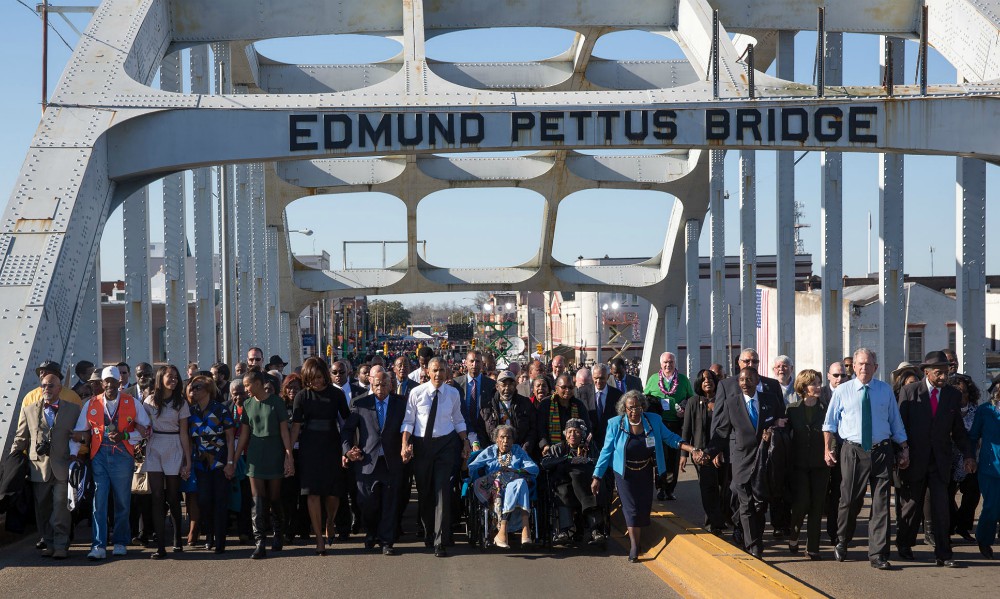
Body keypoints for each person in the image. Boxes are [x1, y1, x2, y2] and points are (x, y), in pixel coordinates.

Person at [593, 390, 704, 562]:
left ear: (643, 407)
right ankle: (634, 547)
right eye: (631, 408)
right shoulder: (615, 424)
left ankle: (638, 538)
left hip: (645, 471)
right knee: (631, 509)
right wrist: (597, 476)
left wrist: (691, 449)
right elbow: (606, 452)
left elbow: (670, 438)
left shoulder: (654, 420)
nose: (635, 411)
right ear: (625, 409)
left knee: (643, 508)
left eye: (638, 407)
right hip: (624, 474)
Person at [823, 348, 908, 570]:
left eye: (868, 364)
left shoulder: (885, 390)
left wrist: (904, 446)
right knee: (849, 500)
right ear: (853, 367)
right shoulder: (843, 391)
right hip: (853, 451)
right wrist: (827, 449)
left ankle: (878, 554)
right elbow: (829, 424)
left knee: (881, 506)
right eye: (859, 364)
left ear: (875, 368)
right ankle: (843, 539)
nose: (863, 368)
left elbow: (895, 421)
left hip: (882, 451)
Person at [895, 351, 974, 567]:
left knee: (941, 507)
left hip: (940, 461)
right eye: (938, 372)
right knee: (912, 506)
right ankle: (904, 544)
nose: (943, 376)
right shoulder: (910, 392)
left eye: (946, 371)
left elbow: (958, 430)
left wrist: (968, 455)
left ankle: (943, 553)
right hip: (914, 460)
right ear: (927, 373)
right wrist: (902, 452)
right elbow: (900, 426)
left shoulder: (952, 395)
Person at [73, 366, 151, 560]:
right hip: (99, 454)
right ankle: (98, 544)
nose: (109, 385)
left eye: (113, 381)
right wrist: (74, 453)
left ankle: (120, 541)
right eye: (106, 381)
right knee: (99, 500)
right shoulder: (91, 404)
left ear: (120, 383)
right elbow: (80, 431)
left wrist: (126, 435)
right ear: (102, 383)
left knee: (122, 500)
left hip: (123, 454)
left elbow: (147, 429)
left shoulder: (132, 402)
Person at [708, 367, 786, 559]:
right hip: (742, 460)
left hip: (765, 461)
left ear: (757, 380)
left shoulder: (770, 400)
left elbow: (783, 423)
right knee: (746, 503)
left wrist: (774, 430)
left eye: (749, 379)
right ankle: (754, 545)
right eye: (742, 380)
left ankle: (753, 536)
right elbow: (721, 433)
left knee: (760, 505)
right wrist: (709, 452)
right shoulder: (731, 404)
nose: (744, 383)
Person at [9, 361, 83, 559]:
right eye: (43, 385)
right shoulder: (29, 409)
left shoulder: (73, 409)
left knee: (60, 507)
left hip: (62, 465)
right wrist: (12, 461)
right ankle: (48, 542)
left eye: (51, 385)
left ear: (60, 388)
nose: (46, 389)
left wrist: (79, 445)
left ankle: (61, 544)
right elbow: (21, 437)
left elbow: (83, 435)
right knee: (42, 509)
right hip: (38, 466)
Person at [401, 357, 472, 557]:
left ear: (447, 371)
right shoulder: (417, 393)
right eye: (435, 370)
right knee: (425, 492)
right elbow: (408, 421)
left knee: (442, 490)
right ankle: (428, 531)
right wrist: (405, 444)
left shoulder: (453, 394)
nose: (438, 374)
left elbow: (458, 419)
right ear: (428, 372)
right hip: (422, 446)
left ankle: (440, 540)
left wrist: (465, 441)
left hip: (446, 445)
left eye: (442, 370)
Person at [289, 357, 350, 556]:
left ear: (325, 375)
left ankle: (330, 521)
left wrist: (348, 449)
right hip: (309, 449)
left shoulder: (336, 394)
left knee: (333, 493)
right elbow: (295, 427)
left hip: (332, 446)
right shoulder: (302, 396)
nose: (317, 381)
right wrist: (288, 454)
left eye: (320, 377)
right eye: (312, 378)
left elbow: (346, 423)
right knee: (312, 493)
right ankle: (318, 537)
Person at [342, 371, 406, 555]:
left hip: (391, 461)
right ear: (371, 383)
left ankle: (387, 541)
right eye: (376, 384)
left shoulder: (400, 404)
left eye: (384, 384)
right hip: (366, 461)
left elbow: (408, 428)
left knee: (389, 503)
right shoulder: (360, 404)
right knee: (367, 503)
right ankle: (370, 533)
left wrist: (407, 446)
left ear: (390, 384)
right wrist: (348, 450)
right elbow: (347, 430)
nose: (380, 388)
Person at [234, 369, 295, 559]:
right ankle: (260, 542)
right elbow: (244, 435)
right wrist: (233, 460)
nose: (245, 389)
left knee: (275, 497)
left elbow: (285, 432)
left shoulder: (277, 402)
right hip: (255, 455)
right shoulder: (248, 404)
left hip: (275, 452)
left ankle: (278, 534)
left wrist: (288, 456)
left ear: (259, 383)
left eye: (247, 385)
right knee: (257, 500)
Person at [143, 364, 192, 559]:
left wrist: (187, 461)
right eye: (169, 376)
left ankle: (177, 539)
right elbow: (142, 425)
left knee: (173, 496)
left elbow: (184, 433)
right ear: (160, 378)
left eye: (176, 376)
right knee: (156, 496)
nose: (173, 380)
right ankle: (160, 546)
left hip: (173, 445)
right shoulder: (148, 401)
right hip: (154, 444)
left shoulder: (181, 403)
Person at [186, 374, 236, 554]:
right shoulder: (190, 412)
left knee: (220, 501)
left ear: (207, 389)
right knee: (204, 500)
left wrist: (231, 462)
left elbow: (230, 439)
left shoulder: (221, 410)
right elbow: (188, 440)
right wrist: (187, 463)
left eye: (197, 387)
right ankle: (209, 535)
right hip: (200, 464)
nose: (193, 391)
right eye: (192, 388)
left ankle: (220, 540)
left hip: (220, 462)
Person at [469, 424, 539, 548]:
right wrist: (492, 474)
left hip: (515, 486)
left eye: (509, 437)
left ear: (513, 440)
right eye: (502, 437)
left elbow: (533, 468)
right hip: (496, 488)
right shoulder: (490, 451)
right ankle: (525, 528)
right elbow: (472, 467)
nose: (505, 441)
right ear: (496, 439)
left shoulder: (517, 450)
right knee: (519, 484)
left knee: (519, 483)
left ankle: (503, 529)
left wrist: (515, 471)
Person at [786, 369, 830, 560]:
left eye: (819, 383)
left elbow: (832, 432)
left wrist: (832, 450)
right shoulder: (792, 410)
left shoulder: (826, 408)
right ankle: (794, 534)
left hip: (821, 464)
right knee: (802, 502)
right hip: (798, 464)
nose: (818, 387)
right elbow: (786, 437)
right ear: (804, 387)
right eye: (814, 384)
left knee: (817, 505)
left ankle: (812, 547)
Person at [541, 419, 606, 545]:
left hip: (585, 484)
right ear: (565, 434)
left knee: (590, 491)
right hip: (563, 484)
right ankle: (563, 531)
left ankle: (595, 530)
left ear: (582, 434)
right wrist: (566, 459)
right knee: (564, 491)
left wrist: (586, 460)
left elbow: (600, 462)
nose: (572, 435)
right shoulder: (557, 448)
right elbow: (545, 463)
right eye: (569, 431)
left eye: (576, 432)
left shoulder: (590, 448)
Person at [681, 369, 728, 534]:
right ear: (699, 383)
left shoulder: (724, 401)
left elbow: (728, 429)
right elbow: (686, 430)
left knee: (724, 488)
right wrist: (684, 455)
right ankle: (713, 524)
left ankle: (722, 518)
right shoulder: (693, 402)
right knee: (708, 488)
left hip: (723, 451)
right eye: (703, 379)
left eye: (710, 378)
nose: (707, 381)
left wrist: (720, 451)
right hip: (700, 454)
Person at [643, 351, 694, 501]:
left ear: (675, 363)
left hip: (676, 424)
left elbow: (690, 398)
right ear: (661, 364)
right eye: (665, 362)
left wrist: (684, 409)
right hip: (659, 424)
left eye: (671, 362)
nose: (668, 365)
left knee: (673, 457)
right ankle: (660, 488)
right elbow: (645, 398)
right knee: (660, 457)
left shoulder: (683, 380)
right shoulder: (653, 379)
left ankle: (670, 489)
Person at [967, 383, 1000, 559]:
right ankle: (984, 540)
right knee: (991, 507)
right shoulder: (985, 410)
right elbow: (973, 437)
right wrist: (970, 457)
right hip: (990, 467)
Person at [947, 373, 981, 543]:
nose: (961, 395)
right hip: (950, 459)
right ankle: (950, 526)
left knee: (973, 494)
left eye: (964, 392)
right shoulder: (946, 409)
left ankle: (963, 526)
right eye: (956, 391)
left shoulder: (977, 411)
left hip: (971, 459)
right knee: (947, 495)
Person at [478, 370, 535, 453]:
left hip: (519, 451)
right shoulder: (487, 405)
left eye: (510, 385)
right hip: (494, 452)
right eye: (503, 385)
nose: (507, 388)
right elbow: (481, 430)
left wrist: (524, 449)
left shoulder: (525, 403)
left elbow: (533, 429)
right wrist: (490, 450)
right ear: (497, 386)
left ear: (515, 385)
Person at [821, 361, 847, 544]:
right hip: (822, 449)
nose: (839, 379)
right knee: (822, 492)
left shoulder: (850, 392)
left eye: (843, 375)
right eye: (836, 375)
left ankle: (835, 532)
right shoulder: (820, 393)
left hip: (844, 449)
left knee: (839, 492)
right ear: (828, 376)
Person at [538, 374, 592, 457]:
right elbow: (540, 428)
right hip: (552, 450)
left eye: (570, 387)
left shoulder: (578, 405)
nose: (567, 390)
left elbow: (586, 427)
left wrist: (584, 444)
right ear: (556, 388)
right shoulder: (546, 404)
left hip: (575, 451)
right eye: (563, 387)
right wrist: (545, 445)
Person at [455, 350, 496, 451]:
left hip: (484, 434)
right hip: (461, 432)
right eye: (472, 361)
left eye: (478, 361)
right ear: (466, 363)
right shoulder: (456, 384)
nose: (474, 364)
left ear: (482, 364)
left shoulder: (491, 385)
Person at [590, 363, 623, 452]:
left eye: (602, 378)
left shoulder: (617, 395)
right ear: (592, 377)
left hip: (610, 441)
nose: (598, 381)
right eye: (596, 378)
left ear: (608, 377)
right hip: (590, 443)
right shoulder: (583, 392)